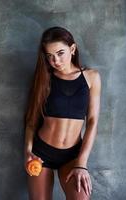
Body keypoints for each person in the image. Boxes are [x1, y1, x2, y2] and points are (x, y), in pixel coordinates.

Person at [24, 26, 101, 200]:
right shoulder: (44, 79)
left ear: (72, 49)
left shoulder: (91, 77)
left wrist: (82, 163)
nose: (55, 61)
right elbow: (31, 121)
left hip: (73, 155)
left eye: (60, 53)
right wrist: (28, 152)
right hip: (41, 154)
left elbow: (92, 121)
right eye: (49, 56)